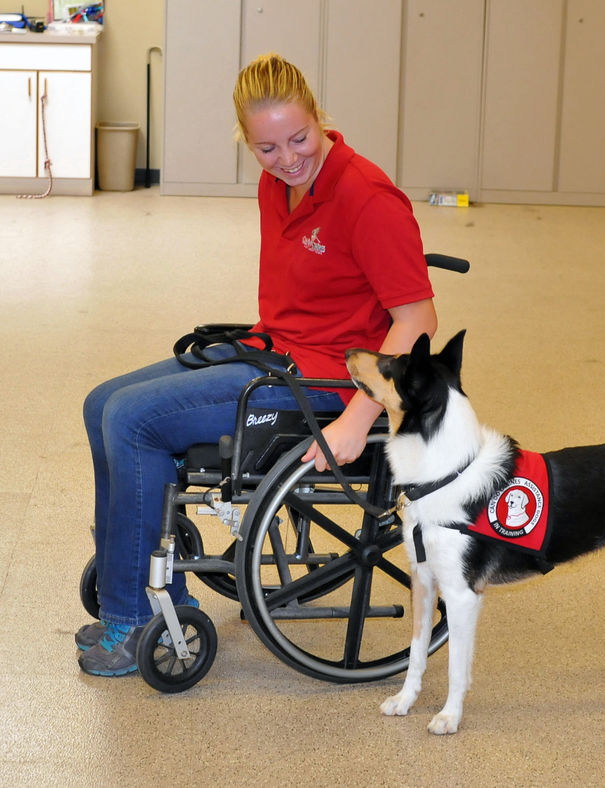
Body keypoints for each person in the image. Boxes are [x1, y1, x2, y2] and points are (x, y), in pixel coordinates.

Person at [77, 53, 437, 677]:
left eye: (300, 138)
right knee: (101, 403)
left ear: (320, 116)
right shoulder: (281, 185)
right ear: (247, 142)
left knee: (134, 421)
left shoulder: (366, 197)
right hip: (276, 350)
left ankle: (136, 621)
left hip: (325, 380)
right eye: (267, 147)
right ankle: (125, 590)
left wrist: (358, 417)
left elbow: (417, 322)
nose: (288, 158)